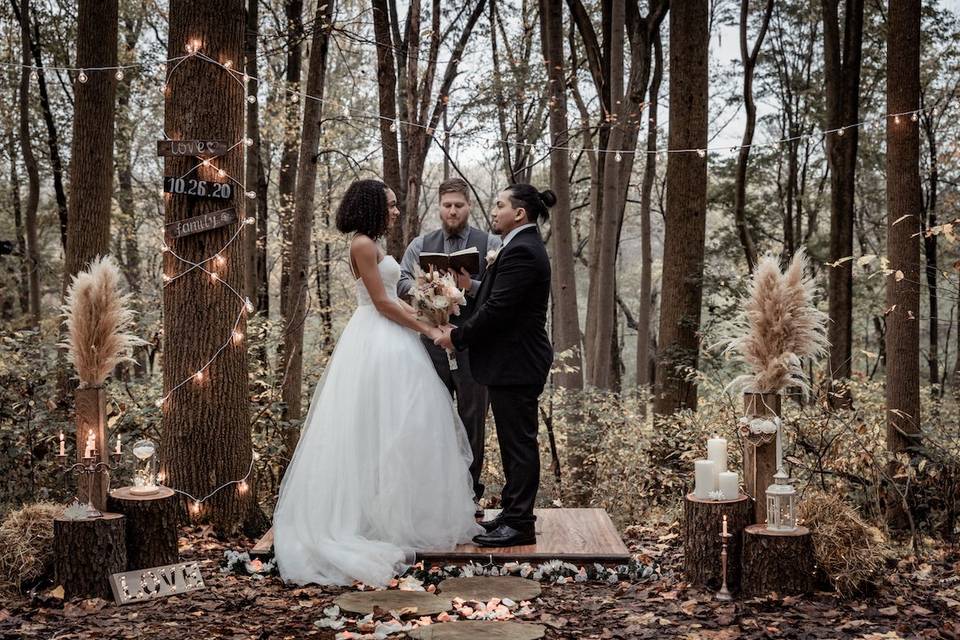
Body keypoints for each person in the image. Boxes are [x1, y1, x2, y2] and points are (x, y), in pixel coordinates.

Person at [273, 179, 481, 586]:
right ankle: (372, 519)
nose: (395, 210)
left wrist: (433, 311)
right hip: (375, 340)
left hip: (394, 336)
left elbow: (395, 297)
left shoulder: (374, 244)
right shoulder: (361, 245)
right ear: (371, 207)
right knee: (379, 426)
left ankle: (401, 510)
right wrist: (426, 328)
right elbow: (382, 303)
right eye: (390, 204)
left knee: (407, 427)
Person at [435, 184, 554, 548]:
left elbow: (498, 311)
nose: (495, 210)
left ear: (519, 213)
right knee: (513, 442)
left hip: (517, 361)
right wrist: (470, 285)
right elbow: (498, 296)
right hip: (511, 362)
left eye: (500, 205)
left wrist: (457, 337)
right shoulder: (519, 246)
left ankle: (520, 523)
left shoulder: (522, 250)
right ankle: (512, 512)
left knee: (519, 445)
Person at [397, 178, 501, 515]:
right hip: (431, 347)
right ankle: (434, 494)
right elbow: (401, 282)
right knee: (431, 420)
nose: (452, 210)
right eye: (447, 205)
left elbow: (500, 289)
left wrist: (465, 288)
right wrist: (428, 289)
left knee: (472, 422)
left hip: (476, 347)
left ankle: (470, 495)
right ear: (439, 207)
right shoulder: (420, 244)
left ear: (468, 206)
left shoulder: (490, 243)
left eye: (458, 205)